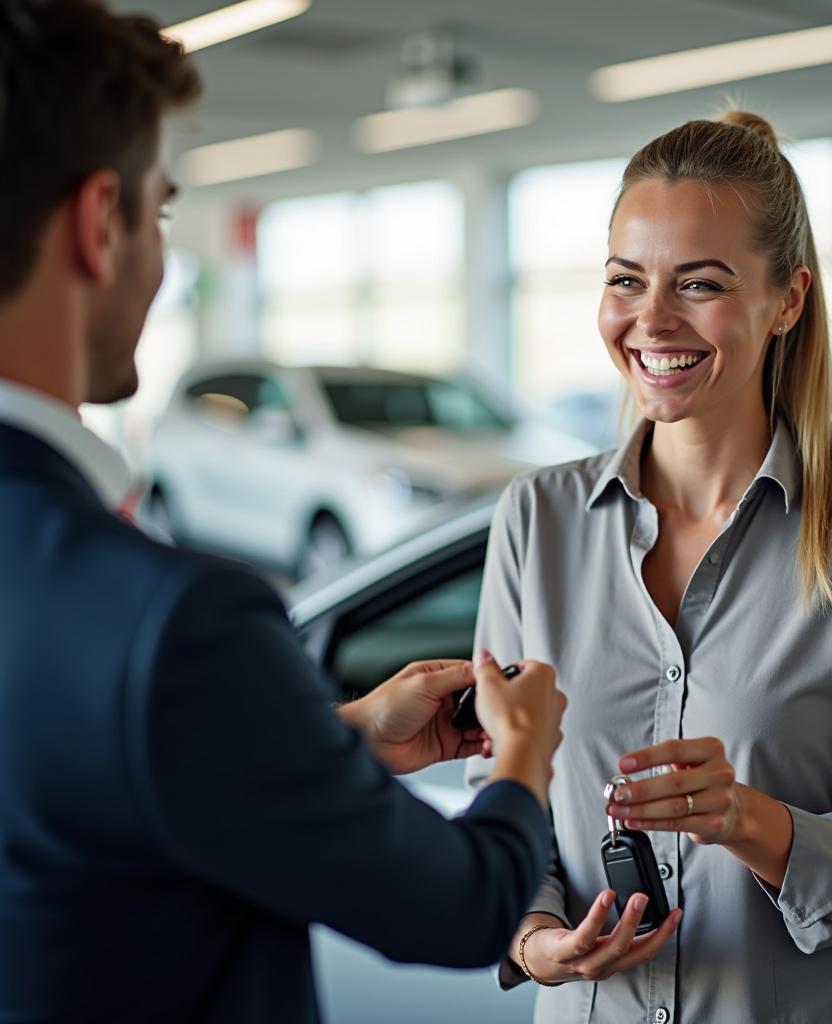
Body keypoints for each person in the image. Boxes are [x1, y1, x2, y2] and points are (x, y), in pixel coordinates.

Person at [0, 3, 566, 1022]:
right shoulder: (172, 625)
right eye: (160, 214)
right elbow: (463, 905)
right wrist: (523, 746)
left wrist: (331, 741)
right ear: (99, 224)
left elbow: (85, 790)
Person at [469, 111, 832, 1023]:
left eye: (699, 285)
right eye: (627, 280)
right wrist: (539, 944)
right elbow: (503, 799)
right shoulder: (534, 520)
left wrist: (750, 820)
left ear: (788, 300)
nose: (651, 320)